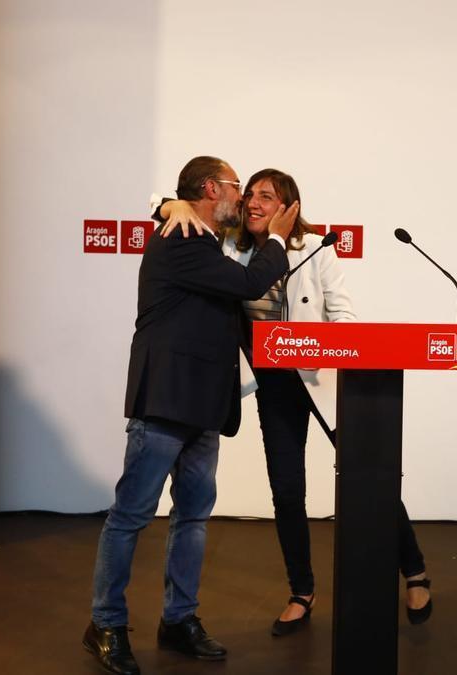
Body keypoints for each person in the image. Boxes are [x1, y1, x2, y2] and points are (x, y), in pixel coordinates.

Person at [158, 168, 433, 638]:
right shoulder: (230, 246)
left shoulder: (316, 249)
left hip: (321, 380)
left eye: (268, 196)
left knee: (370, 474)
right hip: (273, 387)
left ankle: (415, 569)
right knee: (287, 492)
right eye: (249, 196)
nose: (253, 203)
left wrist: (325, 349)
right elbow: (169, 206)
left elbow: (344, 315)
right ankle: (301, 592)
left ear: (291, 207)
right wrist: (171, 204)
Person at [82, 156, 298, 675]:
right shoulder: (181, 239)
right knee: (132, 514)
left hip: (201, 406)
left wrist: (165, 203)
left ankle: (178, 619)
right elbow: (249, 284)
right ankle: (105, 623)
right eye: (235, 186)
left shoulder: (196, 233)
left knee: (193, 518)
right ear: (209, 188)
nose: (243, 197)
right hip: (165, 403)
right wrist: (276, 237)